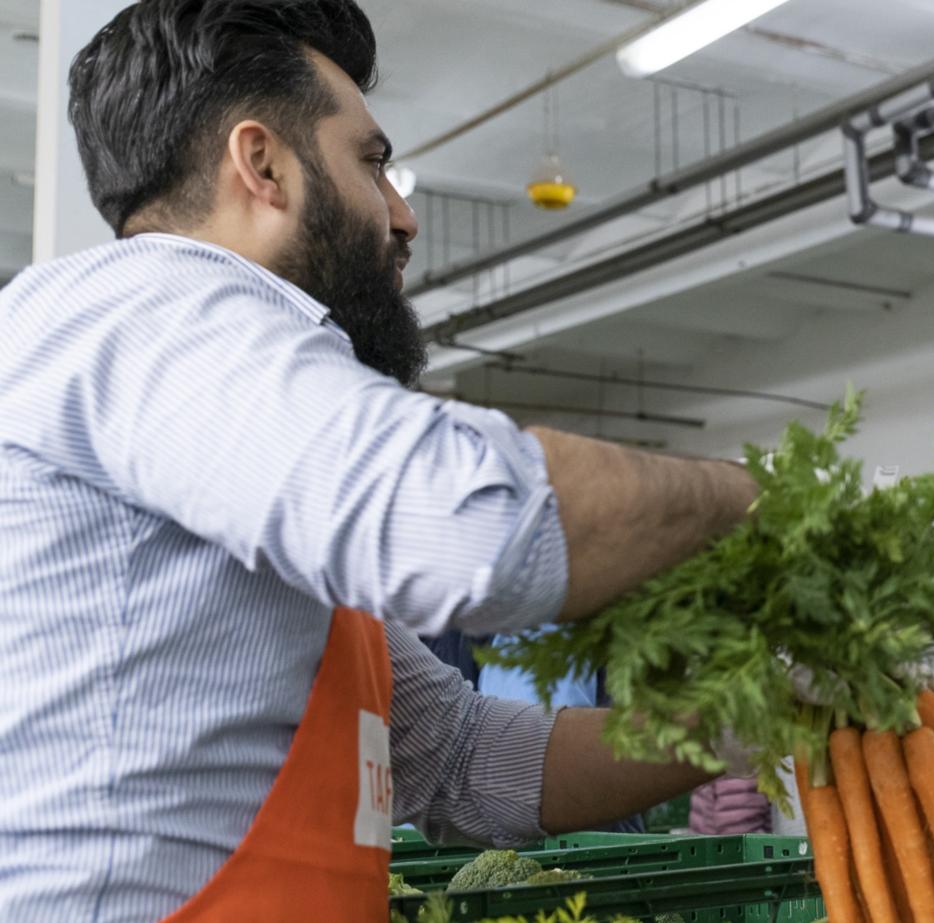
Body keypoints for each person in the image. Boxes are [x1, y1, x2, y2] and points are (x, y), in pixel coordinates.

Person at [0, 3, 762, 918]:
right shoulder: (153, 307)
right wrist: (760, 498)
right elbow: (475, 525)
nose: (402, 216)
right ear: (263, 163)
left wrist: (739, 718)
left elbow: (464, 760)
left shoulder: (234, 437)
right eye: (373, 164)